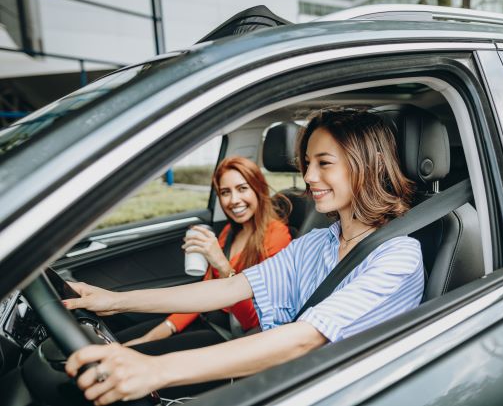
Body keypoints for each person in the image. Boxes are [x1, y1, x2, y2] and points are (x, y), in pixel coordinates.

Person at [63, 108, 425, 405]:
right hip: (292, 382)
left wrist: (157, 369)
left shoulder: (399, 257)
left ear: (368, 164)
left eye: (324, 162)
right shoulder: (317, 242)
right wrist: (112, 300)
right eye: (307, 161)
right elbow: (230, 287)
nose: (308, 174)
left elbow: (307, 338)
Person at [117, 156, 292, 347]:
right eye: (225, 192)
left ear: (258, 188)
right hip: (206, 317)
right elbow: (204, 291)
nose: (234, 200)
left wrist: (223, 266)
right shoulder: (230, 232)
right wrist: (163, 330)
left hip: (234, 337)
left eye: (242, 188)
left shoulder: (276, 236)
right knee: (123, 339)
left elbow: (254, 322)